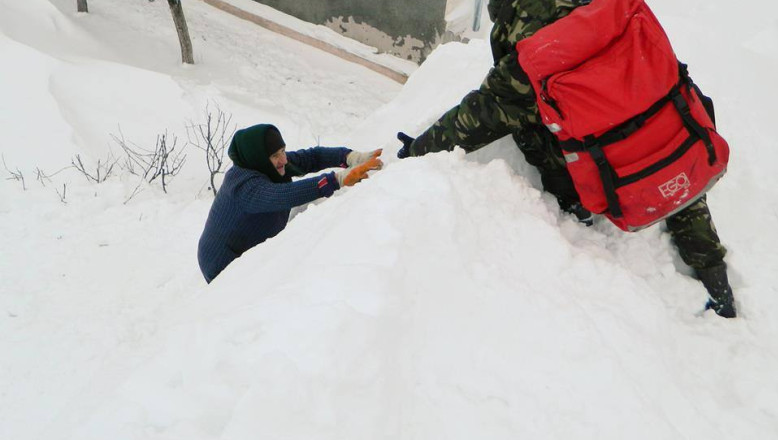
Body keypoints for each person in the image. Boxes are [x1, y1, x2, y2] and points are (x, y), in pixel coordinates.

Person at [396, 0, 736, 318]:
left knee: (529, 122)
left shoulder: (530, 54)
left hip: (606, 164)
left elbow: (478, 117)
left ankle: (574, 210)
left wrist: (416, 150)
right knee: (661, 124)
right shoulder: (613, 8)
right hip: (674, 141)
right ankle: (715, 280)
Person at [198, 124, 382, 283]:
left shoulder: (265, 163)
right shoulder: (243, 187)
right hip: (222, 262)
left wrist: (350, 157)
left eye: (283, 151)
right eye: (276, 155)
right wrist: (337, 180)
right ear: (260, 157)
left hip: (247, 242)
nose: (284, 159)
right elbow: (284, 195)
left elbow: (311, 157)